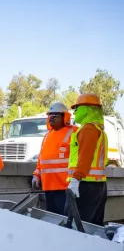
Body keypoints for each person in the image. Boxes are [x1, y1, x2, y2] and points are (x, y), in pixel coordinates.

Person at [66, 94, 108, 226]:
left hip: (84, 184)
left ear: (86, 109)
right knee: (94, 226)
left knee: (78, 226)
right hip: (97, 185)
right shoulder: (98, 130)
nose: (75, 112)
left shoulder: (88, 129)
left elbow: (85, 157)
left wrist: (75, 179)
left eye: (77, 108)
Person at [32, 102, 78, 215]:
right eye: (50, 115)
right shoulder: (47, 136)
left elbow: (79, 158)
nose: (51, 117)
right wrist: (36, 175)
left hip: (65, 187)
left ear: (65, 117)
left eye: (56, 114)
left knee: (65, 219)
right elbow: (41, 158)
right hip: (48, 186)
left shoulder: (74, 132)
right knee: (52, 218)